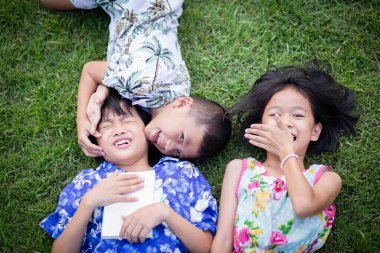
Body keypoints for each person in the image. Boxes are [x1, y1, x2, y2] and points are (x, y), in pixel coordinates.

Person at [40, 0, 232, 161]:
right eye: (181, 137)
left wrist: (103, 91)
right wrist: (82, 122)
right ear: (183, 104)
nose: (168, 146)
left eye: (178, 153)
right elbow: (90, 70)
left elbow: (124, 67)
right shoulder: (141, 86)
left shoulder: (178, 90)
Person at [40, 91, 217, 252]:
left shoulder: (182, 173)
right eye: (106, 126)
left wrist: (165, 213)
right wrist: (89, 202)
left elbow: (205, 247)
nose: (118, 130)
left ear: (147, 131)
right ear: (96, 143)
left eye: (127, 120)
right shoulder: (87, 182)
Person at [211, 61, 359, 252]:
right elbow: (223, 240)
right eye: (274, 115)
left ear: (315, 131)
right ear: (260, 126)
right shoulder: (240, 169)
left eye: (298, 116)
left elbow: (304, 206)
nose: (285, 123)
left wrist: (287, 153)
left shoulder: (326, 179)